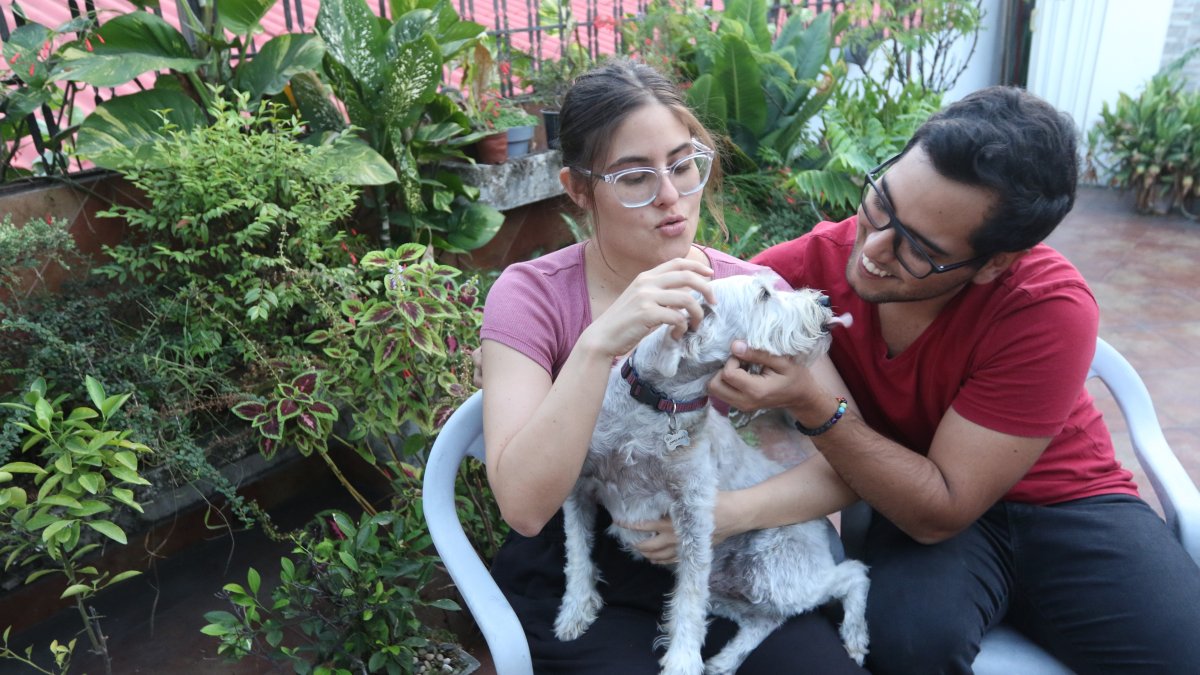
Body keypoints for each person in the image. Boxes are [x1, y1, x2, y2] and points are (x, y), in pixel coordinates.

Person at [703, 86, 1200, 673]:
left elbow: (942, 507)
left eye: (919, 248)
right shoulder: (804, 270)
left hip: (1069, 504)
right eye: (881, 203)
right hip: (910, 502)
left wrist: (814, 404)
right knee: (902, 646)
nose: (874, 248)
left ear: (995, 263)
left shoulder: (1046, 307)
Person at [478, 58, 868, 674]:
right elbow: (525, 507)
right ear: (578, 189)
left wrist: (731, 515)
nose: (670, 196)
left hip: (730, 554)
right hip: (588, 566)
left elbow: (848, 461)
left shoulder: (751, 298)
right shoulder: (534, 296)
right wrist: (598, 345)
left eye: (683, 166)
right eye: (635, 177)